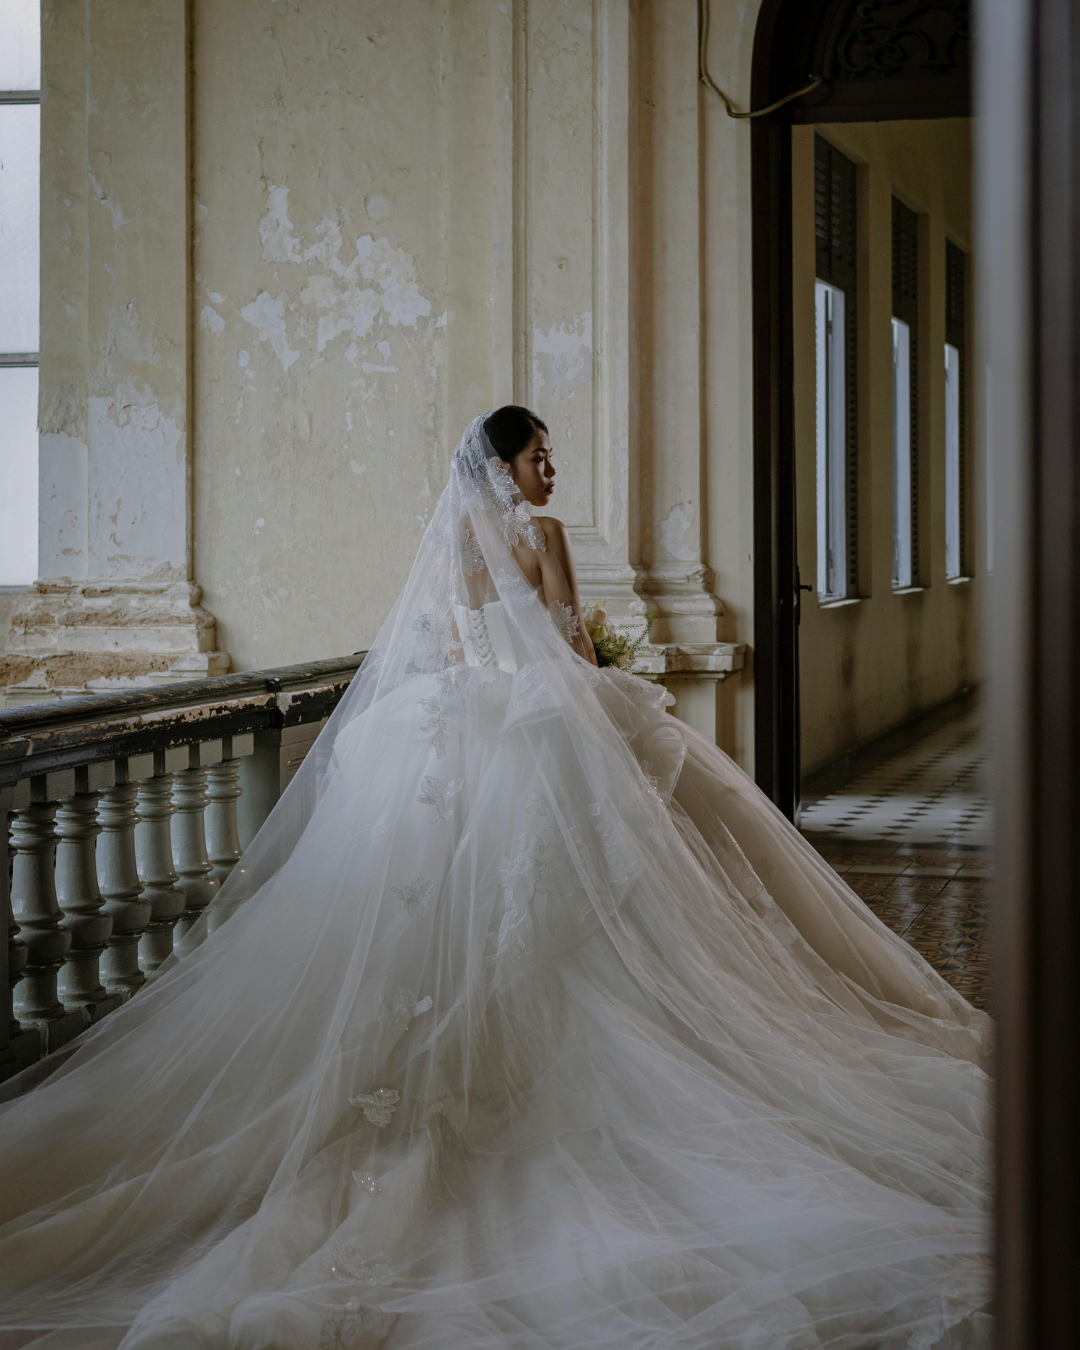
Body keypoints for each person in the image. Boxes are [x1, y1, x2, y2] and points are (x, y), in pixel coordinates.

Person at [0, 409, 991, 1349]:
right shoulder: (543, 536)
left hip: (453, 736)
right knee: (583, 915)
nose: (549, 471)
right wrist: (594, 678)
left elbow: (436, 644)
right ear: (504, 468)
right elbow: (568, 645)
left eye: (549, 457)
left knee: (444, 918)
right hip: (535, 732)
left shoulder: (446, 547)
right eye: (537, 457)